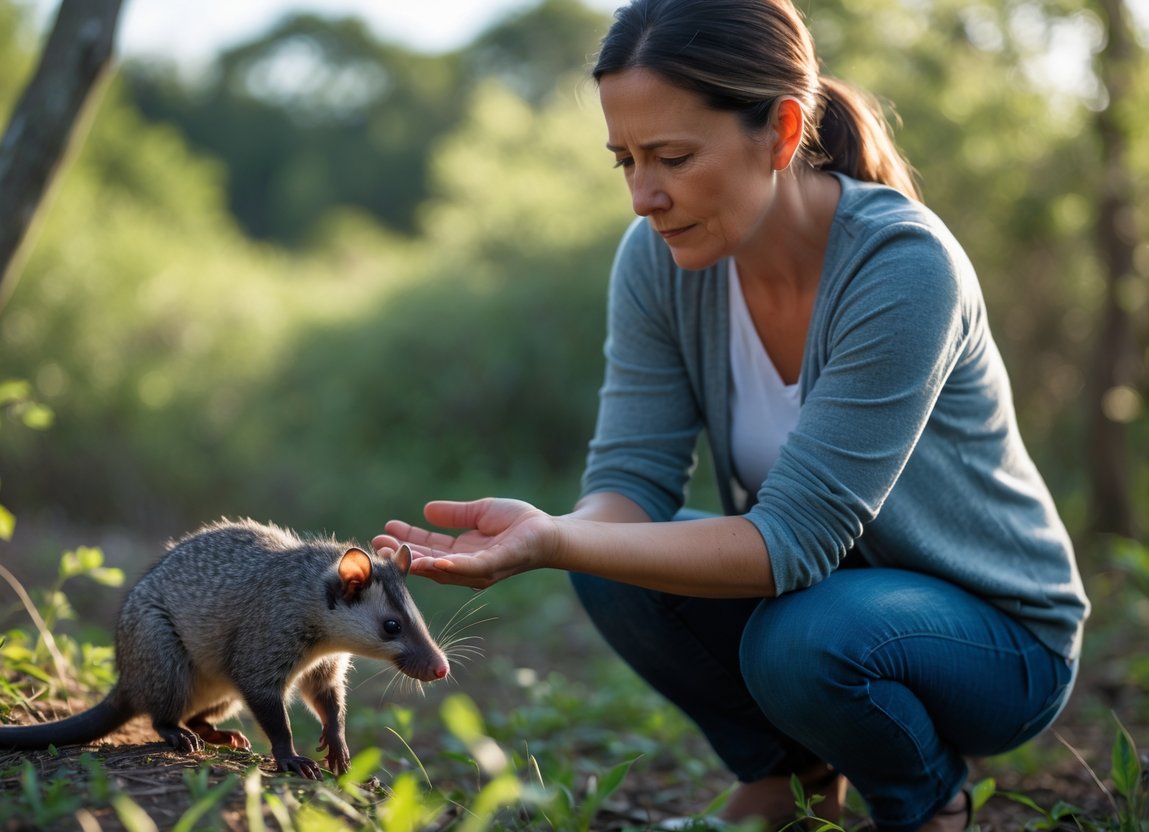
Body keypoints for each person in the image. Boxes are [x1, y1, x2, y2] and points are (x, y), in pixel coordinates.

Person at [376, 0, 1090, 829]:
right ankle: (790, 779)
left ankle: (926, 799)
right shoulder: (660, 258)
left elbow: (792, 542)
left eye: (672, 157)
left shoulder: (904, 267)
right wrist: (550, 535)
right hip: (831, 604)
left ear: (782, 132)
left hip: (997, 642)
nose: (644, 196)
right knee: (609, 560)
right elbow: (629, 481)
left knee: (797, 637)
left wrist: (561, 537)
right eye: (626, 161)